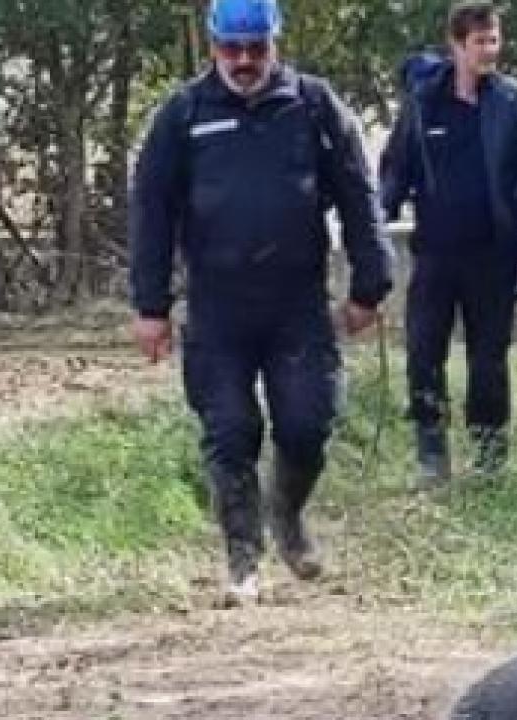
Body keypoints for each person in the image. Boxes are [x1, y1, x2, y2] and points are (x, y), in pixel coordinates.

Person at [127, 0, 394, 606]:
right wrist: (150, 306)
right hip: (217, 309)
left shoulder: (315, 106)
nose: (245, 62)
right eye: (232, 49)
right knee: (230, 431)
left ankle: (288, 514)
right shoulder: (182, 115)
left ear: (276, 43)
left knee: (307, 425)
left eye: (257, 48)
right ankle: (241, 563)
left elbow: (358, 193)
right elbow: (151, 212)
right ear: (213, 45)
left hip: (297, 305)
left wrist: (369, 286)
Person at [380, 1, 517, 488]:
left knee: (488, 359)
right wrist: (376, 220)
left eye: (495, 40)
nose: (490, 51)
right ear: (457, 45)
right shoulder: (423, 102)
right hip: (436, 255)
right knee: (423, 353)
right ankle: (431, 457)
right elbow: (397, 170)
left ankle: (489, 459)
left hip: (493, 255)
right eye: (480, 42)